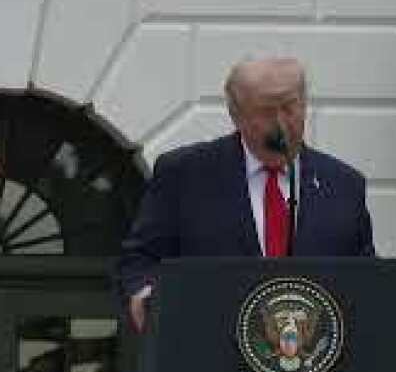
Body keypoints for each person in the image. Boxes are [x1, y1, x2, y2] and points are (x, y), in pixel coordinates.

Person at [117, 56, 375, 332]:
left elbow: (369, 279)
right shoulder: (184, 174)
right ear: (236, 115)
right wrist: (144, 293)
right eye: (265, 112)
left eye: (289, 108)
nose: (280, 125)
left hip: (313, 358)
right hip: (209, 349)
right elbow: (139, 260)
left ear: (304, 105)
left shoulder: (344, 185)